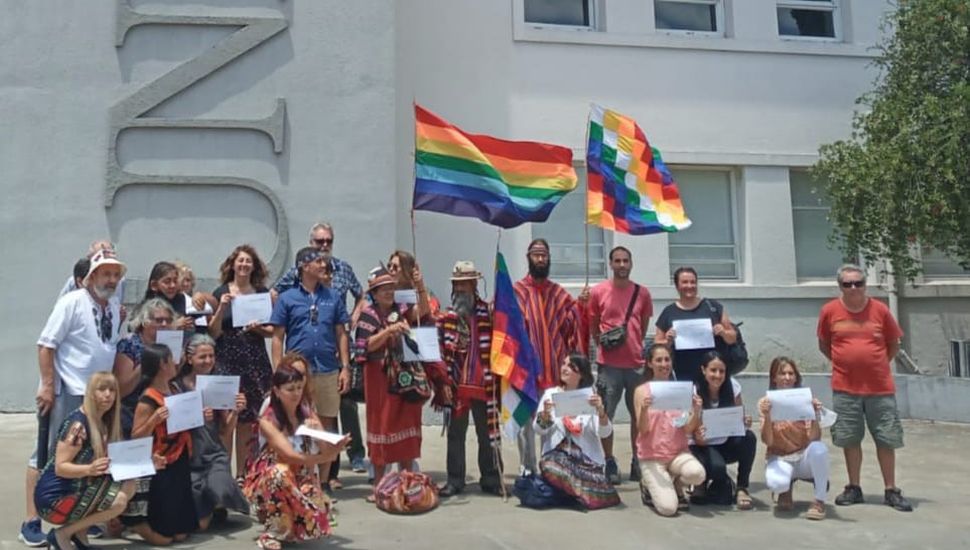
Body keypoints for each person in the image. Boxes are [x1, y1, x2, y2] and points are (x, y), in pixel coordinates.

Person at [22, 250, 125, 547]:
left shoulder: (113, 306)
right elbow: (46, 344)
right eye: (106, 273)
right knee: (46, 455)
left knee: (88, 458)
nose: (112, 280)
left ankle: (75, 523)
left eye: (116, 274)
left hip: (98, 395)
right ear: (91, 276)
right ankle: (31, 521)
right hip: (70, 390)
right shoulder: (71, 302)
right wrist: (47, 385)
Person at [817, 264, 912, 511]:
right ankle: (854, 487)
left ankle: (891, 489)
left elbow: (893, 344)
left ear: (865, 285)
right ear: (840, 286)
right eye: (848, 284)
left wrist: (875, 364)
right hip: (845, 388)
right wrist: (847, 363)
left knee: (886, 438)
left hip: (879, 388)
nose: (853, 288)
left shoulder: (880, 310)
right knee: (850, 439)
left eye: (858, 283)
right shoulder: (829, 311)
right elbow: (825, 344)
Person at [352, 266, 447, 496]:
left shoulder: (402, 309)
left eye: (390, 288)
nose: (387, 292)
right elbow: (365, 345)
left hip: (405, 375)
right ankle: (380, 486)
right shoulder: (368, 314)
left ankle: (406, 482)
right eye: (382, 289)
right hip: (379, 378)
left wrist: (420, 285)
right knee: (381, 426)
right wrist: (389, 332)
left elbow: (423, 311)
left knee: (407, 424)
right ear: (373, 293)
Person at [242, 355, 349, 550]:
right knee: (279, 474)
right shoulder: (268, 418)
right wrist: (326, 457)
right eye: (290, 389)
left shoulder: (307, 409)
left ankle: (290, 526)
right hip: (271, 476)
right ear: (277, 390)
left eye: (299, 387)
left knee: (315, 518)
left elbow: (326, 450)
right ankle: (273, 531)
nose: (296, 393)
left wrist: (320, 434)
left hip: (301, 472)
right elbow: (290, 455)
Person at [270, 247, 351, 490]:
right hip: (297, 374)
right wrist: (278, 371)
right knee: (299, 425)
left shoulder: (333, 297)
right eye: (318, 261)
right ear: (304, 266)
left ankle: (322, 484)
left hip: (327, 369)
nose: (323, 265)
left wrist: (345, 367)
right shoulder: (287, 298)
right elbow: (277, 337)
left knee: (326, 426)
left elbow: (341, 333)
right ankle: (299, 479)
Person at [34, 372, 137, 550]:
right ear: (90, 393)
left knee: (129, 484)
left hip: (77, 486)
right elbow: (60, 467)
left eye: (112, 390)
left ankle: (80, 535)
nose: (108, 395)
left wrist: (149, 463)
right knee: (118, 501)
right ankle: (62, 535)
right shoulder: (78, 425)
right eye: (102, 389)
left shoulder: (105, 421)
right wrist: (89, 469)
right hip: (54, 498)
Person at [513, 238, 581, 474]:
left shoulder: (558, 293)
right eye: (536, 255)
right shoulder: (517, 291)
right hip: (524, 372)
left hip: (552, 369)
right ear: (529, 258)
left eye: (544, 255)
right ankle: (527, 469)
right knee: (525, 424)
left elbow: (570, 326)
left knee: (550, 421)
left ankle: (550, 469)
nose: (540, 259)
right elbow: (505, 322)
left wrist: (579, 308)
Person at [588, 246, 653, 484]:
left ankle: (638, 460)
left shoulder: (643, 293)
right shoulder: (598, 292)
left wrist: (632, 344)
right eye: (617, 261)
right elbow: (593, 325)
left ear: (631, 263)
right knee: (605, 415)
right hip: (609, 365)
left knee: (639, 415)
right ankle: (608, 461)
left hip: (636, 365)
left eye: (626, 260)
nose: (622, 265)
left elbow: (643, 325)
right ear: (610, 264)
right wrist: (604, 344)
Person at [436, 261, 502, 497]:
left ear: (475, 284)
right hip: (457, 386)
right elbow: (440, 353)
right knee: (455, 436)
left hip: (484, 382)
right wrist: (443, 382)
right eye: (458, 284)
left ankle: (492, 478)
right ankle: (455, 480)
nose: (461, 288)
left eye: (465, 283)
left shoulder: (489, 313)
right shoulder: (447, 317)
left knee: (488, 434)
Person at [209, 244, 275, 478]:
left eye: (249, 261)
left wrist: (260, 328)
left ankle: (244, 476)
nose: (244, 265)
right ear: (233, 264)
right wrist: (222, 308)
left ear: (254, 266)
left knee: (248, 422)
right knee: (227, 420)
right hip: (226, 361)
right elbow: (213, 332)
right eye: (241, 260)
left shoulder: (261, 293)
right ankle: (224, 477)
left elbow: (272, 332)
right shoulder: (220, 292)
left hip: (254, 362)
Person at [173, 334, 250, 529]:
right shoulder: (176, 386)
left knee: (219, 488)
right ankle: (206, 507)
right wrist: (194, 416)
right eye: (202, 357)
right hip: (186, 456)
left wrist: (236, 411)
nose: (208, 361)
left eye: (211, 356)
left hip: (213, 453)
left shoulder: (217, 384)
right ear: (189, 359)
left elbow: (225, 431)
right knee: (201, 525)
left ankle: (217, 502)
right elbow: (171, 425)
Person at [127, 344, 198, 545]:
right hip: (161, 460)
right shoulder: (148, 399)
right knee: (164, 539)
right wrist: (153, 421)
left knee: (181, 534)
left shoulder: (174, 388)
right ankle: (136, 524)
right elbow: (136, 436)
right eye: (171, 359)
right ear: (162, 364)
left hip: (180, 454)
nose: (175, 363)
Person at [534, 353, 620, 510]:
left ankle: (572, 493)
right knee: (549, 466)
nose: (564, 369)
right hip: (558, 459)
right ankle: (583, 494)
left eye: (571, 367)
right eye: (564, 364)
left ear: (581, 374)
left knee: (592, 477)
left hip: (585, 462)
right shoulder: (551, 394)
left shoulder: (591, 397)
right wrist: (546, 415)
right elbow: (538, 429)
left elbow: (605, 433)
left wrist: (600, 411)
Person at [634, 344, 706, 517]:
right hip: (652, 456)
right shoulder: (642, 391)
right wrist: (644, 409)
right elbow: (642, 429)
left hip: (677, 453)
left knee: (697, 474)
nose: (664, 364)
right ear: (650, 364)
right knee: (668, 509)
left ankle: (677, 484)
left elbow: (687, 427)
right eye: (658, 360)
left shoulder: (681, 390)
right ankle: (646, 484)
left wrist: (696, 411)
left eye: (667, 359)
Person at [759, 356, 828, 520]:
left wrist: (815, 415)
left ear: (796, 377)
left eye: (791, 373)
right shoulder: (765, 402)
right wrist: (767, 416)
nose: (787, 378)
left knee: (820, 450)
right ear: (774, 378)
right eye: (782, 374)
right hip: (780, 458)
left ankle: (819, 501)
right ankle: (785, 489)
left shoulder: (805, 399)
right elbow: (767, 441)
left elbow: (814, 438)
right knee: (778, 483)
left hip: (802, 457)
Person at [690, 351, 757, 509]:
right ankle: (703, 483)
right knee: (717, 468)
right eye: (713, 370)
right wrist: (698, 434)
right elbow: (689, 429)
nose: (718, 375)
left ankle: (742, 487)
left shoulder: (733, 387)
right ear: (703, 370)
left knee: (749, 437)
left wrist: (744, 422)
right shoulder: (693, 391)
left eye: (722, 371)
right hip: (702, 445)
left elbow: (739, 418)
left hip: (725, 441)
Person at [655, 266, 739, 383]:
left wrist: (723, 333)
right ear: (677, 285)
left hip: (714, 374)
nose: (689, 286)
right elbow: (657, 344)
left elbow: (732, 338)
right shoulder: (669, 312)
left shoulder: (713, 307)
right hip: (683, 373)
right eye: (685, 282)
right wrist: (668, 341)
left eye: (693, 282)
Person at [114, 298, 180, 435]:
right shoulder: (130, 344)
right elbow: (121, 389)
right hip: (132, 412)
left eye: (168, 320)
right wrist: (147, 360)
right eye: (158, 320)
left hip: (164, 412)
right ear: (145, 322)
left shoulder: (172, 346)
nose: (164, 324)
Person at [143, 262, 195, 331]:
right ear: (154, 285)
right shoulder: (145, 307)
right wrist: (172, 326)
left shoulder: (185, 301)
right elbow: (135, 329)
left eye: (175, 281)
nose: (172, 285)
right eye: (167, 282)